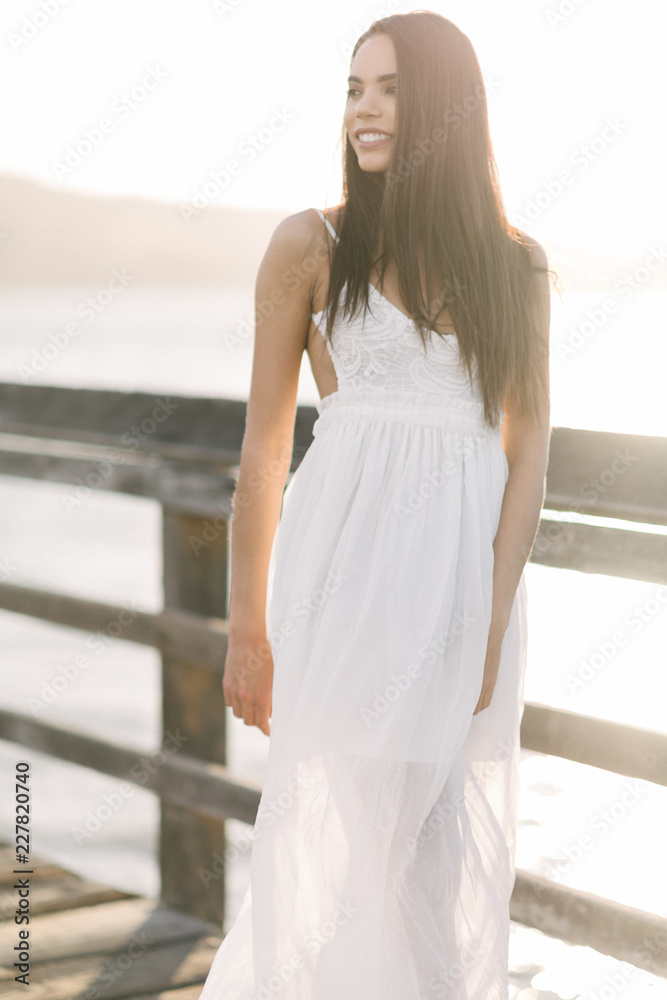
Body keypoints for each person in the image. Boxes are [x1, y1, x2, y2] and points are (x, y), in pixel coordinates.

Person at [198, 11, 552, 999]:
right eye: (354, 87)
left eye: (389, 88)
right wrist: (247, 628)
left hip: (460, 594)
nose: (364, 108)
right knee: (338, 841)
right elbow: (265, 452)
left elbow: (529, 451)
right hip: (342, 582)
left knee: (436, 853)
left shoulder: (515, 266)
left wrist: (488, 617)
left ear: (444, 106)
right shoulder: (308, 246)